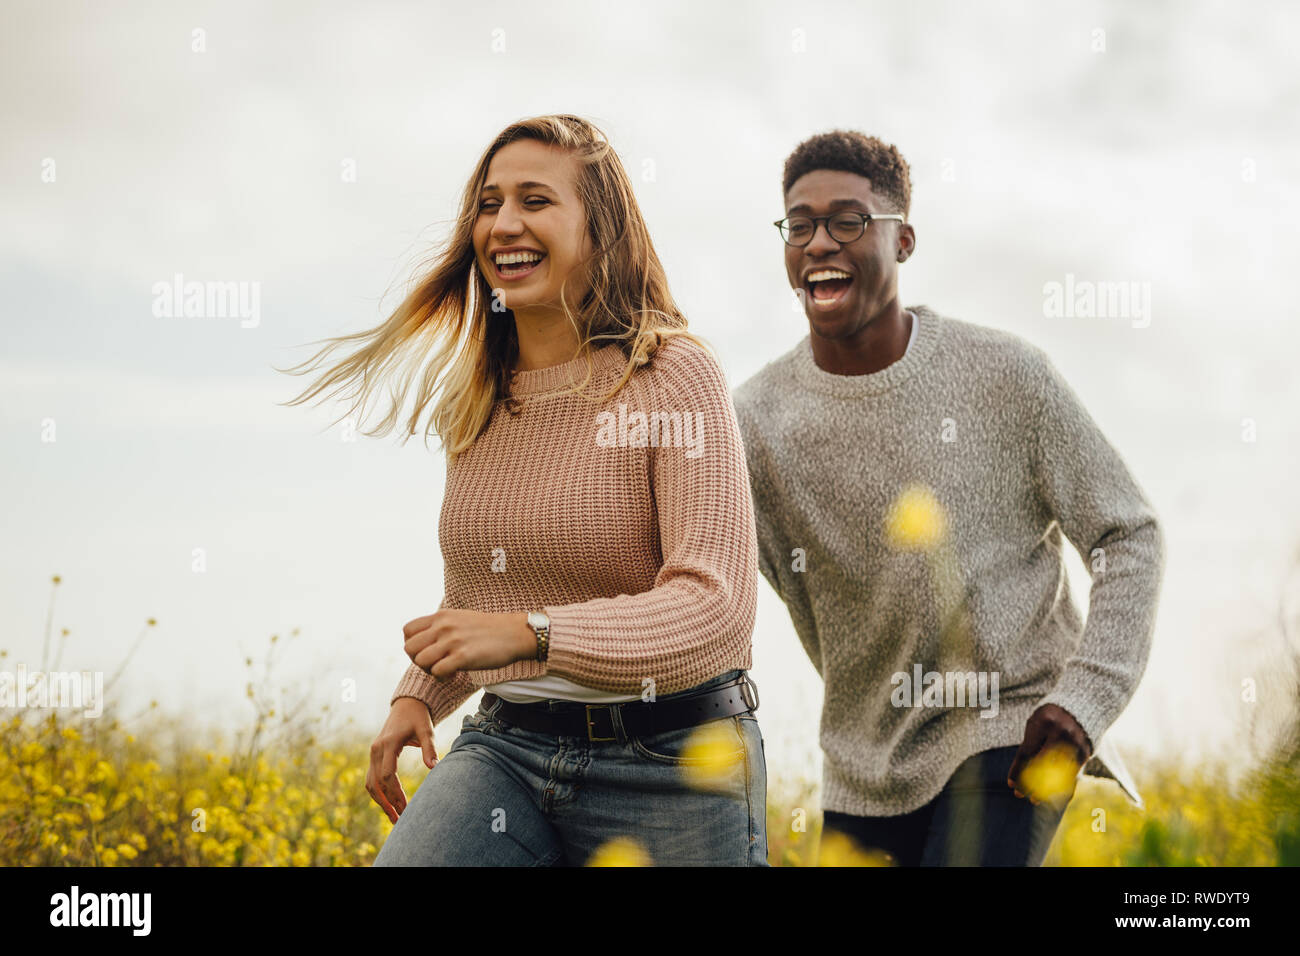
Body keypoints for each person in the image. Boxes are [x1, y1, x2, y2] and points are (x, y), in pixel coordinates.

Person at [279, 114, 766, 866]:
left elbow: (713, 604)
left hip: (674, 763)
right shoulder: (478, 398)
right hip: (509, 749)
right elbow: (479, 595)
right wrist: (420, 693)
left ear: (599, 230)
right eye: (488, 202)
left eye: (535, 200)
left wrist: (535, 633)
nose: (504, 223)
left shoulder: (672, 376)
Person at [732, 130, 1165, 866]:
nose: (818, 243)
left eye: (847, 222)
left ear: (902, 241)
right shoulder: (754, 423)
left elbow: (1129, 534)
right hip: (864, 767)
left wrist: (1084, 700)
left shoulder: (1008, 376)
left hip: (1011, 727)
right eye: (798, 225)